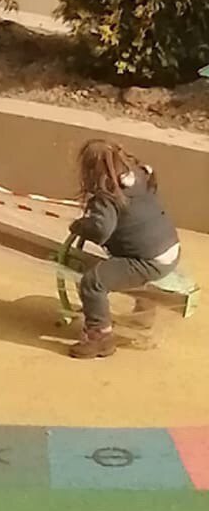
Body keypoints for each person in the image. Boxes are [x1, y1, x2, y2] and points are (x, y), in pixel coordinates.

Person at [68, 139, 180, 359]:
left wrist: (78, 226)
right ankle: (143, 316)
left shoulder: (107, 194)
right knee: (120, 262)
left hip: (149, 261)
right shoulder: (141, 174)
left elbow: (101, 230)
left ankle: (100, 338)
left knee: (93, 282)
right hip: (169, 248)